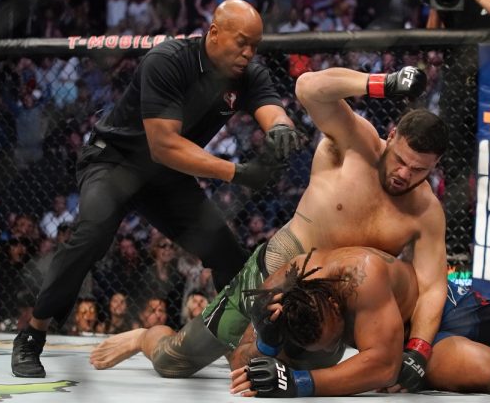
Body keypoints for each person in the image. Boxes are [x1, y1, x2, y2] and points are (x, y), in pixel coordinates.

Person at [89, 66, 448, 392]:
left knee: (267, 376)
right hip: (280, 268)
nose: (404, 174)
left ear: (435, 167)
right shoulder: (357, 142)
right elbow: (309, 87)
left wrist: (418, 349)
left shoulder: (425, 210)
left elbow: (432, 285)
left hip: (335, 301)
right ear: (392, 133)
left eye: (419, 170)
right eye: (401, 159)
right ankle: (143, 338)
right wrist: (382, 83)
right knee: (174, 361)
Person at [11, 0, 302, 378]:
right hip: (115, 161)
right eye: (242, 42)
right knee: (93, 235)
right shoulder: (169, 60)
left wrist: (280, 128)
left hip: (165, 178)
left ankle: (240, 340)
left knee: (227, 253)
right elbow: (163, 145)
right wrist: (236, 172)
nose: (249, 53)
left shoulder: (247, 73)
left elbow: (271, 108)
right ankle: (32, 335)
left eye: (255, 45)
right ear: (214, 33)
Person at [227, 247, 490, 397]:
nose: (333, 350)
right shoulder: (281, 288)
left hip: (445, 310)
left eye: (334, 339)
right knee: (485, 371)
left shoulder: (360, 276)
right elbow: (243, 367)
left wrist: (297, 383)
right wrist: (264, 342)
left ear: (333, 304)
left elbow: (380, 367)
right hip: (407, 348)